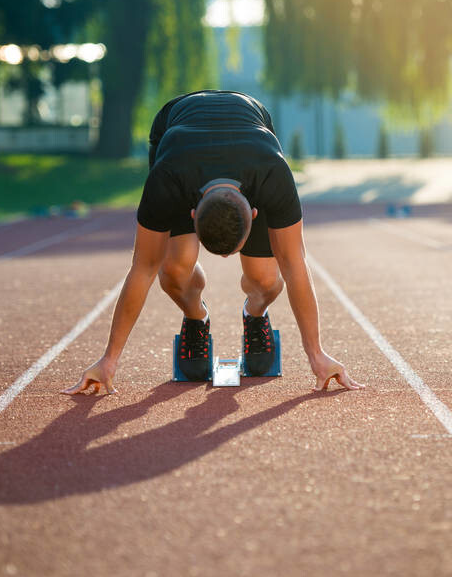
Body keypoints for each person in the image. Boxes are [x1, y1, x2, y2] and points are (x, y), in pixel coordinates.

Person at [62, 90, 363, 395]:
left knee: (266, 279)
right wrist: (109, 360)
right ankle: (196, 318)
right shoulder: (166, 180)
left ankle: (255, 314)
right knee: (173, 271)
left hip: (250, 127)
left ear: (256, 212)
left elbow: (294, 262)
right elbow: (143, 268)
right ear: (191, 213)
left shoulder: (272, 172)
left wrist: (317, 354)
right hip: (175, 133)